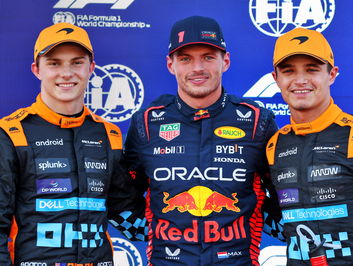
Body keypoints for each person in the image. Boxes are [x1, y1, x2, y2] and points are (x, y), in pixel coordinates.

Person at [123, 15, 283, 265]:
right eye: (185, 59)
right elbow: (121, 195)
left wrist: (261, 228)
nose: (197, 68)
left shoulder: (256, 121)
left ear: (225, 61)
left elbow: (284, 191)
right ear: (170, 64)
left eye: (208, 57)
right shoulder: (146, 122)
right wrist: (166, 237)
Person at [0, 22, 145, 265]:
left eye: (77, 62)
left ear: (91, 68)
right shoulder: (11, 133)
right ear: (37, 69)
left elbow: (128, 219)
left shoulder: (108, 134)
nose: (66, 73)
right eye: (54, 63)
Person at [267, 27, 353, 265]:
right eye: (288, 71)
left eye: (312, 70)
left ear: (332, 74)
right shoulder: (274, 146)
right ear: (276, 78)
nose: (300, 80)